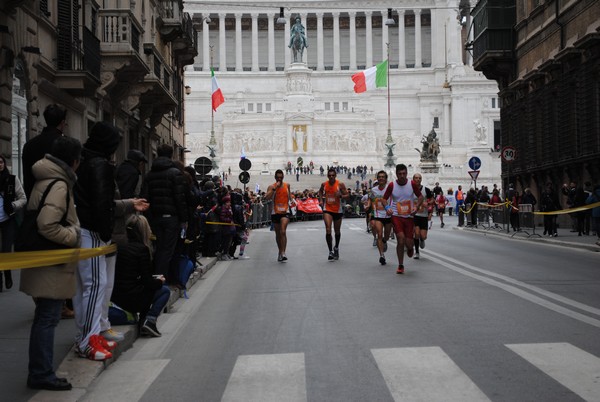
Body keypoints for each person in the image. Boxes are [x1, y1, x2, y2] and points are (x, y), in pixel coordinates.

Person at [20, 136, 82, 391]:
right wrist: (74, 235)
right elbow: (47, 224)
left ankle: (39, 371)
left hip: (44, 259)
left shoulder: (45, 178)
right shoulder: (59, 185)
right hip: (52, 260)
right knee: (47, 318)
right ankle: (42, 373)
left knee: (44, 317)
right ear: (74, 161)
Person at [73, 122, 123, 361]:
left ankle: (89, 337)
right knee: (95, 286)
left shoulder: (85, 160)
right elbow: (102, 202)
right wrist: (105, 232)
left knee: (87, 287)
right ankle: (88, 341)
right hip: (91, 232)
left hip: (84, 229)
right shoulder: (100, 165)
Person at [112, 214, 170, 337]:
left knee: (145, 290)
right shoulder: (142, 249)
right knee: (164, 291)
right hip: (132, 298)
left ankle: (144, 322)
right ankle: (150, 320)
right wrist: (160, 281)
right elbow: (147, 281)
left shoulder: (119, 247)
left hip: (116, 295)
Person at [140, 144, 189, 281]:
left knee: (158, 247)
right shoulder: (175, 173)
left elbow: (145, 197)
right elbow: (180, 198)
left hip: (155, 218)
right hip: (171, 218)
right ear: (171, 155)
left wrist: (149, 217)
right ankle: (161, 280)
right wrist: (183, 219)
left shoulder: (149, 175)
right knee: (167, 250)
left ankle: (156, 277)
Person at [382, 164, 423, 274]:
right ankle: (400, 265)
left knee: (409, 243)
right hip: (396, 215)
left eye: (404, 173)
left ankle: (410, 248)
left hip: (409, 216)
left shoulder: (412, 184)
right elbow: (384, 199)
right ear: (396, 174)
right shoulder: (392, 185)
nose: (402, 176)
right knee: (400, 239)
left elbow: (420, 197)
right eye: (399, 174)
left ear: (407, 174)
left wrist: (416, 207)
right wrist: (387, 208)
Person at [22, 104, 67, 198]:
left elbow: (27, 179)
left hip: (35, 201)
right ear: (62, 123)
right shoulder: (67, 144)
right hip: (59, 201)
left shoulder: (29, 145)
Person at [0, 155, 27, 291]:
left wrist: (13, 205)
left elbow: (23, 198)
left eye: (1, 162)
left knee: (5, 250)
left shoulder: (12, 179)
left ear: (4, 164)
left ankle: (7, 273)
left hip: (8, 220)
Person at [318, 168, 349, 260]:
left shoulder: (340, 184)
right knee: (328, 229)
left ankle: (336, 247)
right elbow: (320, 191)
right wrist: (320, 200)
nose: (331, 177)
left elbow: (347, 196)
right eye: (330, 175)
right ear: (328, 176)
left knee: (337, 231)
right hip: (327, 209)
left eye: (333, 175)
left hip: (337, 210)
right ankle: (330, 251)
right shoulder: (324, 184)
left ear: (335, 176)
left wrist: (340, 196)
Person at [265, 170, 293, 262]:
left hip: (285, 212)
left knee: (283, 231)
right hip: (275, 212)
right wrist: (274, 189)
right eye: (278, 177)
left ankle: (283, 252)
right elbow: (266, 198)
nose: (279, 179)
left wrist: (292, 202)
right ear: (275, 177)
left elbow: (290, 198)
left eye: (281, 177)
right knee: (278, 234)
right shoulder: (271, 186)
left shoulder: (287, 185)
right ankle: (280, 251)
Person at [369, 171, 393, 265]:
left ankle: (384, 241)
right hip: (378, 215)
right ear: (377, 178)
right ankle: (381, 255)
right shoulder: (374, 190)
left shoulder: (390, 188)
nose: (381, 178)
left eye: (383, 177)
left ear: (386, 179)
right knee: (379, 234)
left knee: (386, 236)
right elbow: (371, 200)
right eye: (379, 177)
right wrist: (370, 209)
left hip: (388, 215)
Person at [411, 173, 431, 260]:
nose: (418, 179)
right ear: (413, 179)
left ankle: (422, 240)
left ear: (421, 179)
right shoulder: (410, 190)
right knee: (416, 233)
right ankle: (417, 252)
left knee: (423, 236)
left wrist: (428, 203)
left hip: (424, 215)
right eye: (416, 178)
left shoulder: (426, 190)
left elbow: (432, 200)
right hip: (414, 216)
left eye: (419, 178)